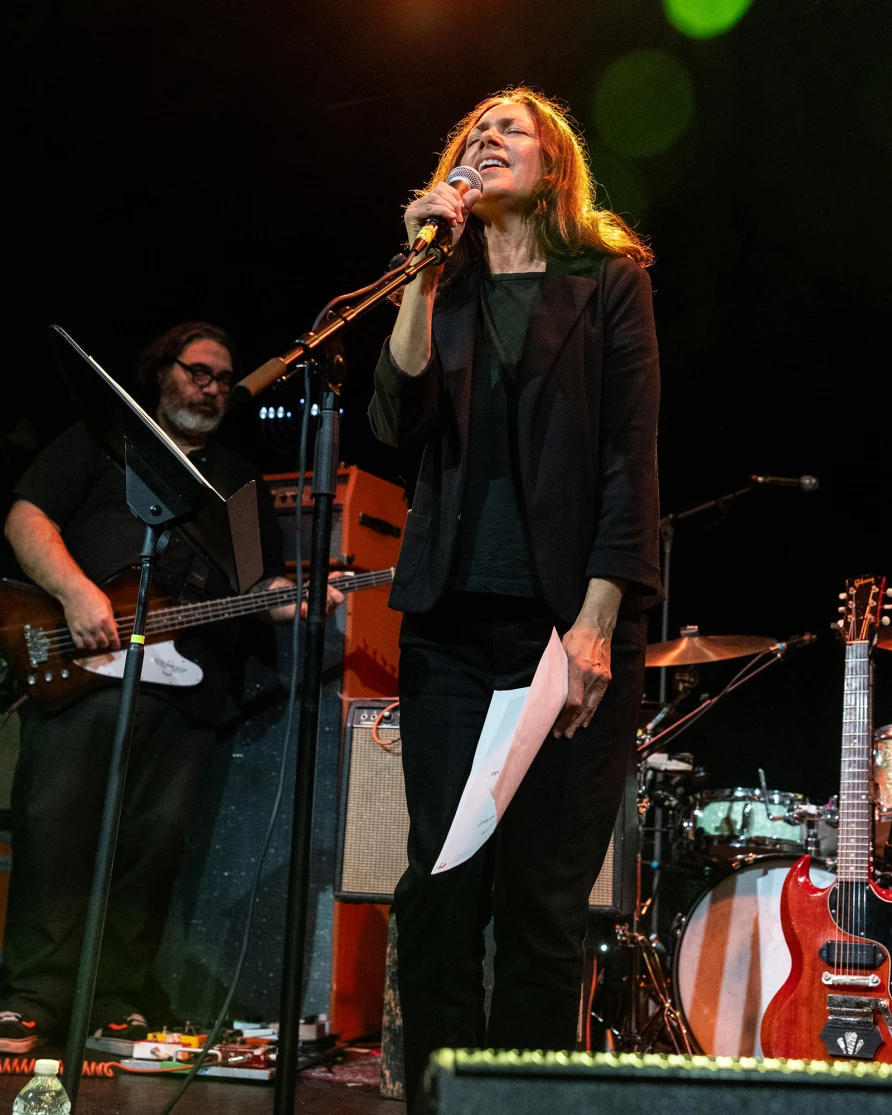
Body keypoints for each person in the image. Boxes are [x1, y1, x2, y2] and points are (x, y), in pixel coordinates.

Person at [368, 88, 661, 1109]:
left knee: (540, 904)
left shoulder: (607, 281)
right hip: (450, 624)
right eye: (472, 131)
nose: (486, 139)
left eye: (508, 130)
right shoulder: (439, 283)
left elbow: (629, 458)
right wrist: (417, 269)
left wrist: (594, 625)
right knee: (439, 893)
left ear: (553, 168)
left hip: (563, 632)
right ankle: (441, 1100)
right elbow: (394, 416)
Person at [0, 321, 343, 1053]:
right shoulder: (103, 441)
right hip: (82, 667)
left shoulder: (240, 483)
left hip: (187, 695)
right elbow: (26, 516)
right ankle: (29, 999)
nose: (213, 387)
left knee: (153, 846)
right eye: (198, 372)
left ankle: (114, 1001)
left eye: (223, 378)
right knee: (54, 830)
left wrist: (296, 599)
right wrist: (75, 594)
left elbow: (260, 583)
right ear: (161, 374)